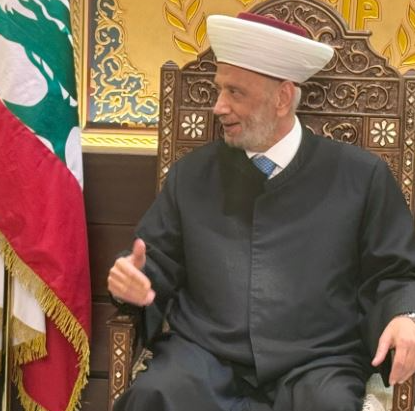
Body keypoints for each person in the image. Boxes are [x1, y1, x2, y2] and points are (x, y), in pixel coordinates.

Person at [108, 12, 415, 411]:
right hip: (205, 354)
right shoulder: (192, 174)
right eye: (219, 89)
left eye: (235, 92)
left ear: (283, 98)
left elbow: (394, 271)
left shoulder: (361, 175)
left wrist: (404, 316)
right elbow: (154, 260)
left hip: (317, 361)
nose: (218, 106)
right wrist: (132, 281)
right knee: (155, 395)